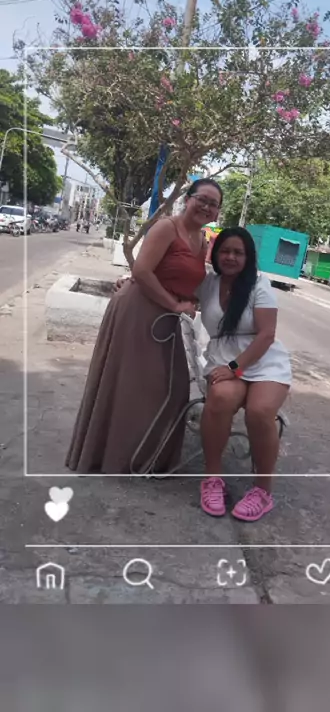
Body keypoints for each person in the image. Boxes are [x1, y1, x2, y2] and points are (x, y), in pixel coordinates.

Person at [65, 178, 223, 474]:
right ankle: (113, 457)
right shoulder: (166, 227)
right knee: (127, 384)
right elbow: (142, 271)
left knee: (174, 388)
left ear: (217, 213)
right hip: (138, 310)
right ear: (188, 199)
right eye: (202, 199)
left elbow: (182, 279)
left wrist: (189, 301)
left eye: (213, 204)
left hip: (165, 320)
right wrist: (174, 304)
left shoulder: (201, 240)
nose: (206, 207)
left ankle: (148, 456)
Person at [197, 227, 291, 522]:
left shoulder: (259, 284)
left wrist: (235, 368)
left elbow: (267, 335)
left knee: (260, 412)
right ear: (216, 254)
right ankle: (212, 479)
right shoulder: (208, 284)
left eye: (238, 252)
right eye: (225, 251)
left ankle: (263, 492)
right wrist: (130, 281)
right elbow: (174, 289)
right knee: (220, 399)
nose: (230, 257)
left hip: (263, 361)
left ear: (248, 257)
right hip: (223, 359)